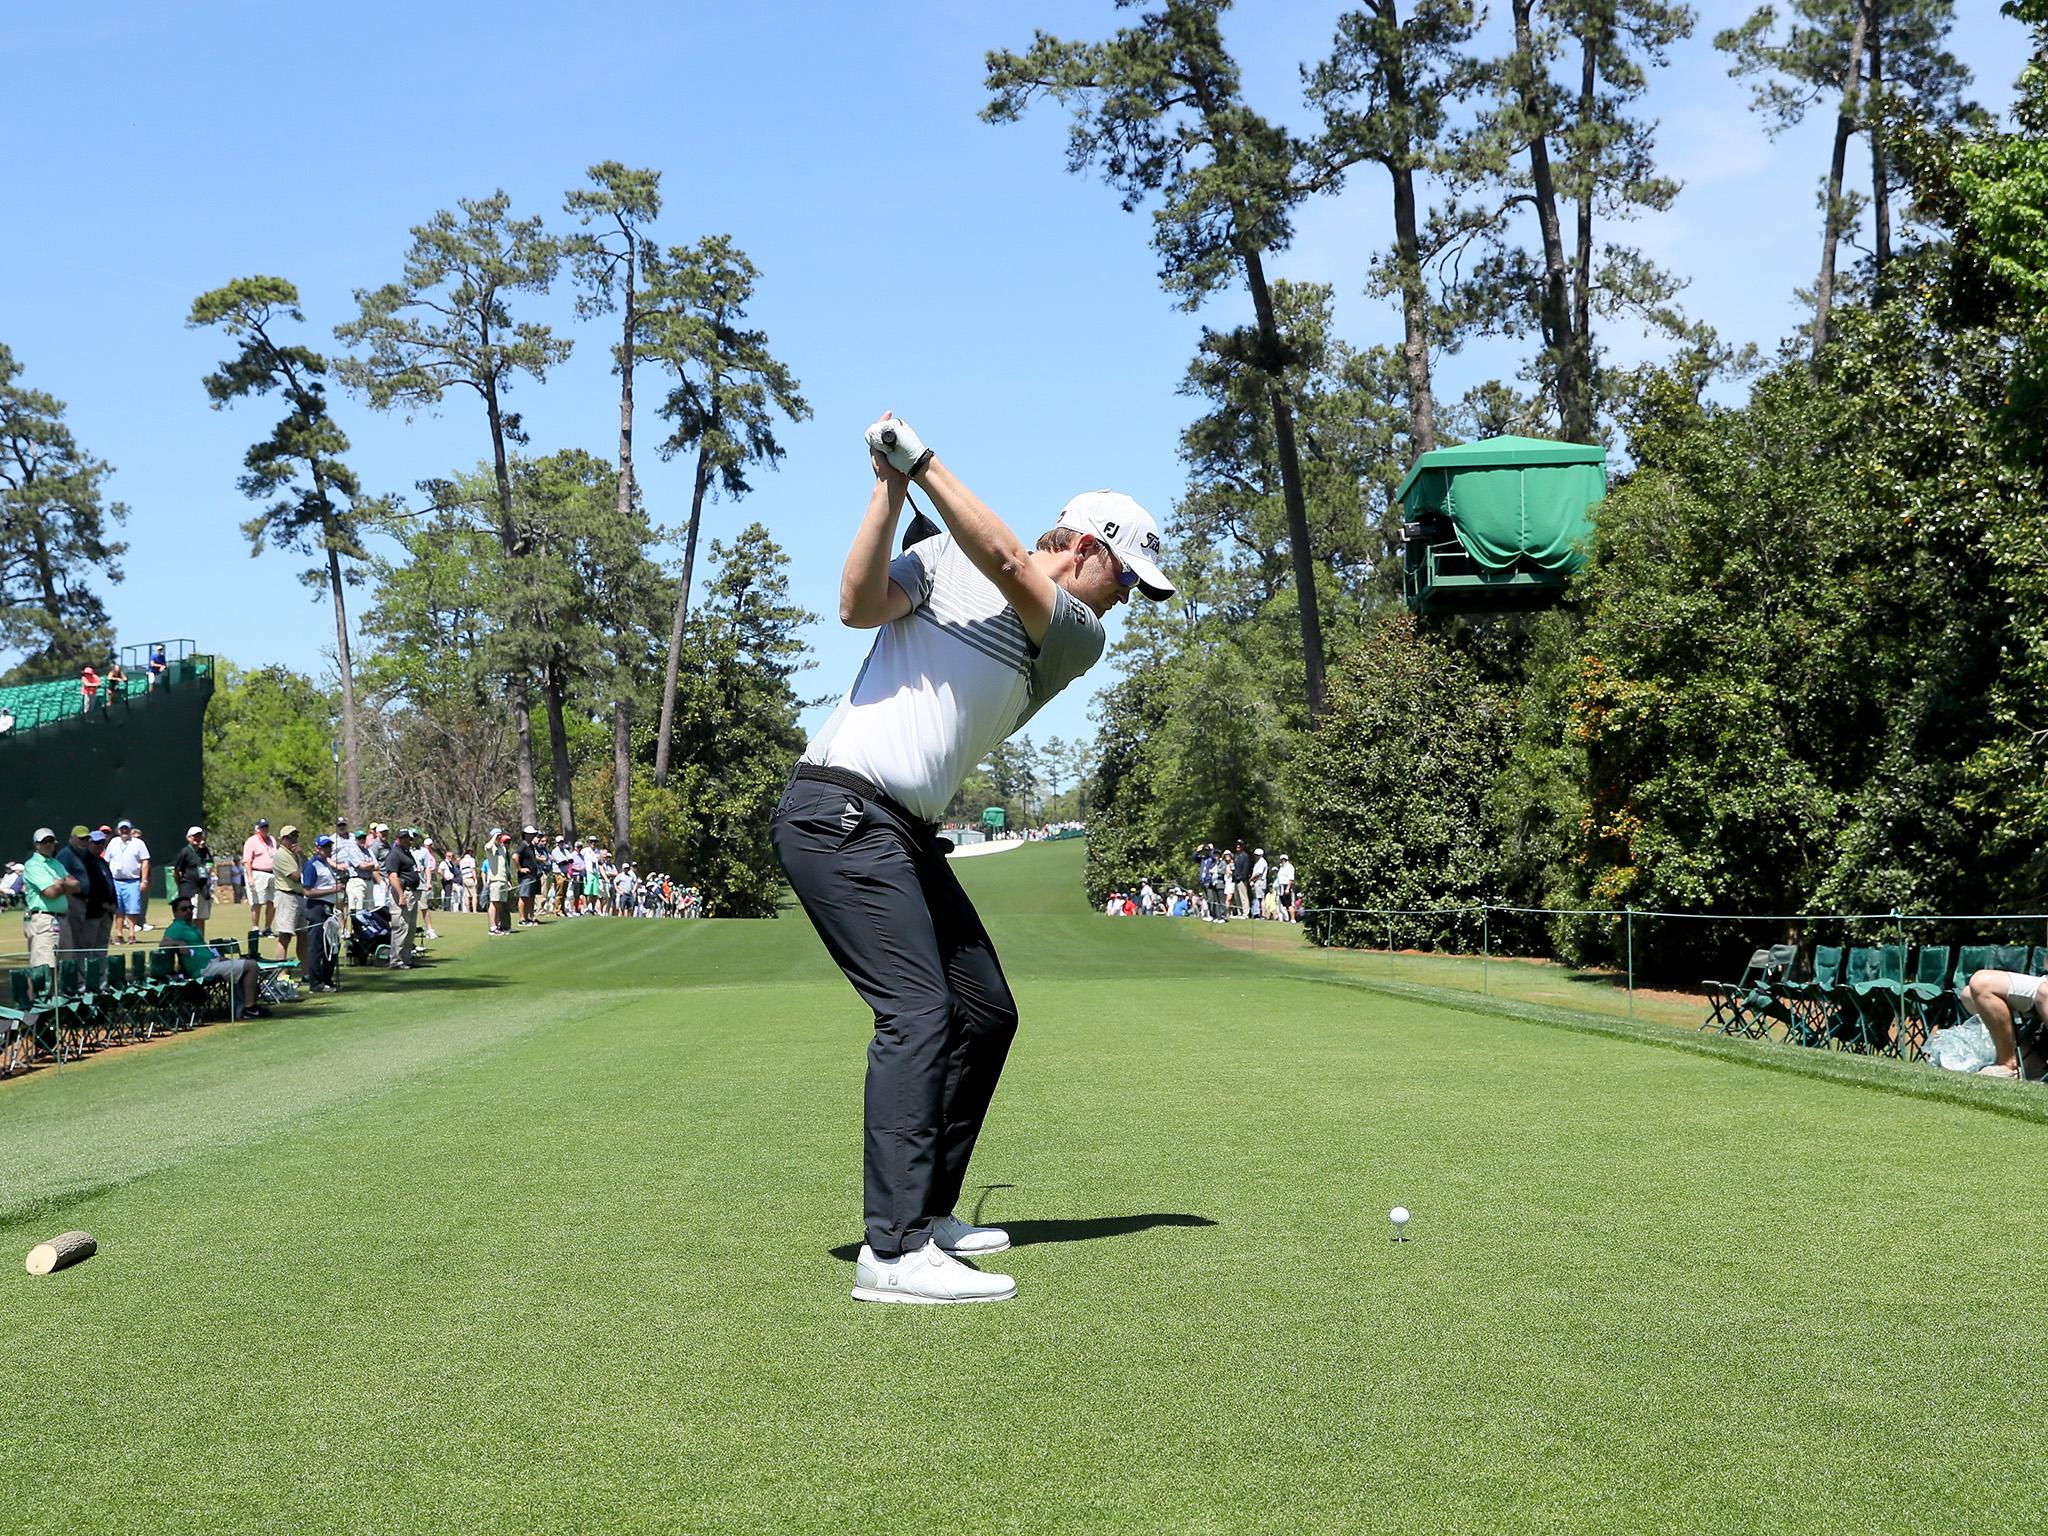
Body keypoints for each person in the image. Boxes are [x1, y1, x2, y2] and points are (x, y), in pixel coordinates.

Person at [771, 411, 1171, 1305]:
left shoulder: (1071, 631)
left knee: (984, 1012)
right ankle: (894, 1249)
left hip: (897, 832)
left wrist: (924, 462)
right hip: (839, 810)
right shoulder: (943, 562)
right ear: (1085, 546)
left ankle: (930, 1212)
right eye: (1128, 578)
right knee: (917, 1012)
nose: (1126, 601)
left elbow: (1004, 562)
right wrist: (890, 488)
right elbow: (855, 604)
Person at [160, 895, 267, 1019]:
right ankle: (249, 1008)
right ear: (175, 912)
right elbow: (164, 944)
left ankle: (241, 1008)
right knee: (251, 965)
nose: (188, 911)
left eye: (191, 908)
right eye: (184, 909)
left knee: (245, 963)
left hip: (212, 962)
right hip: (203, 970)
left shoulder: (191, 926)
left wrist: (217, 957)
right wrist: (178, 943)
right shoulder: (176, 927)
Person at [22, 828, 77, 971]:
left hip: (62, 920)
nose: (48, 844)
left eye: (50, 841)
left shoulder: (57, 864)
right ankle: (41, 995)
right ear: (36, 845)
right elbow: (50, 892)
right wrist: (64, 884)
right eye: (43, 842)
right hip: (43, 920)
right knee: (44, 969)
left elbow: (76, 885)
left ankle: (57, 994)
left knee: (66, 967)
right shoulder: (33, 864)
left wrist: (59, 883)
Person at [60, 826, 115, 961]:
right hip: (87, 908)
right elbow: (63, 881)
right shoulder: (71, 856)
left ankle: (99, 980)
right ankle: (83, 980)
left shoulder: (100, 861)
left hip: (105, 911)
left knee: (100, 948)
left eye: (102, 842)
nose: (99, 845)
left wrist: (112, 903)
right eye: (96, 842)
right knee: (85, 947)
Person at [299, 834, 342, 992]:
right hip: (316, 908)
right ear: (317, 848)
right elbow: (307, 891)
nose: (328, 849)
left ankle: (327, 979)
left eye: (329, 846)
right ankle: (316, 984)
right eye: (325, 847)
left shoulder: (327, 864)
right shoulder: (312, 865)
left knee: (332, 944)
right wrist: (333, 889)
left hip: (328, 908)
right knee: (316, 947)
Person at [382, 827, 422, 968]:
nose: (407, 841)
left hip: (411, 892)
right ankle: (396, 960)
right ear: (397, 839)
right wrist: (401, 895)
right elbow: (393, 876)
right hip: (402, 892)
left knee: (410, 928)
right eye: (404, 838)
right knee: (401, 926)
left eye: (408, 838)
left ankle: (406, 958)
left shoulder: (407, 853)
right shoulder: (394, 854)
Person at [107, 820, 150, 945]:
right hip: (116, 881)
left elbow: (145, 861)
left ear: (131, 830)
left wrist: (144, 880)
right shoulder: (113, 842)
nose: (124, 831)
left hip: (132, 880)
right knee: (118, 909)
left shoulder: (139, 843)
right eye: (122, 829)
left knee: (132, 909)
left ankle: (132, 934)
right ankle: (119, 934)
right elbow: (107, 860)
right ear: (118, 830)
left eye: (127, 829)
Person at [271, 825, 305, 965]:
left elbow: (308, 868)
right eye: (291, 837)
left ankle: (307, 972)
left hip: (300, 897)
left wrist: (302, 855)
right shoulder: (281, 855)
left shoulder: (295, 854)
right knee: (285, 937)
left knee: (304, 937)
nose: (294, 840)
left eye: (296, 836)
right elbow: (296, 876)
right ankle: (281, 974)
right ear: (283, 839)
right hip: (287, 897)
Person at [174, 826, 215, 937]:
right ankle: (191, 940)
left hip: (203, 889)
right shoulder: (185, 852)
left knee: (201, 917)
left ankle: (200, 940)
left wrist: (209, 868)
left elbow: (210, 862)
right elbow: (177, 871)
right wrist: (181, 886)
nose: (198, 838)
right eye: (195, 836)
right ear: (189, 838)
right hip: (189, 889)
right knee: (191, 916)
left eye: (199, 835)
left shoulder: (205, 850)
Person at [242, 819, 277, 937]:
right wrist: (250, 877)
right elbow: (247, 861)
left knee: (272, 902)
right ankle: (255, 927)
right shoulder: (251, 841)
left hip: (272, 874)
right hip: (258, 873)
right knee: (257, 902)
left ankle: (268, 927)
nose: (265, 829)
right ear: (257, 829)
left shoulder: (272, 840)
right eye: (262, 827)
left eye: (266, 826)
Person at [1274, 854, 1296, 923]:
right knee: (1284, 904)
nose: (1283, 861)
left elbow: (1291, 879)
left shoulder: (1290, 867)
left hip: (1286, 886)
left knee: (1289, 903)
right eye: (1282, 860)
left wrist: (1288, 888)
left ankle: (1293, 919)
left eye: (1284, 860)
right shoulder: (1281, 868)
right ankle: (1286, 918)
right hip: (1280, 886)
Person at [1250, 848, 1268, 919]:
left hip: (1260, 881)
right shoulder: (1258, 862)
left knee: (1260, 898)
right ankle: (1259, 913)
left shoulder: (1262, 862)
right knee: (1258, 897)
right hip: (1257, 881)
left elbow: (1258, 874)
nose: (1256, 856)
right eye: (1255, 855)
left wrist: (1251, 879)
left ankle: (1262, 914)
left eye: (1258, 855)